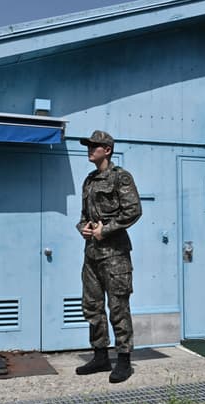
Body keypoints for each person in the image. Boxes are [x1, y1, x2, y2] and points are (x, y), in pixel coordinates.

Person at [75, 130, 142, 383]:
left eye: (95, 146)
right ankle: (100, 356)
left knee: (118, 308)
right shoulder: (89, 180)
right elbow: (84, 214)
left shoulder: (120, 177)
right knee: (92, 307)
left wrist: (107, 229)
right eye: (88, 145)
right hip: (91, 254)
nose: (90, 149)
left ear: (108, 149)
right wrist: (83, 227)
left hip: (115, 255)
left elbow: (133, 210)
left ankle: (123, 360)